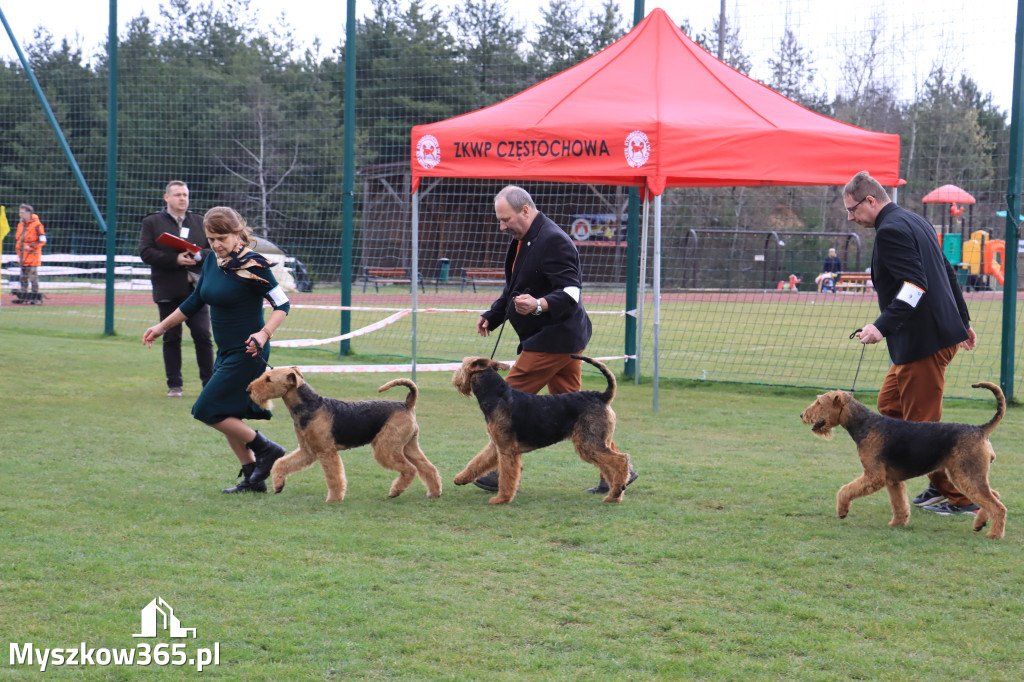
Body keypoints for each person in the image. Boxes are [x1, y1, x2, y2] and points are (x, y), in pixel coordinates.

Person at [472, 185, 637, 495]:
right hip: (553, 339)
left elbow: (571, 293)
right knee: (580, 409)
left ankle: (498, 471)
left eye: (506, 219)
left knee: (506, 404)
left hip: (554, 339)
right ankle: (616, 468)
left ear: (525, 210)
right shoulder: (521, 240)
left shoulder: (555, 241)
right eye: (500, 220)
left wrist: (538, 305)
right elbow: (514, 287)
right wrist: (493, 315)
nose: (502, 226)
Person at [845, 171, 979, 515]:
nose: (851, 217)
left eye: (853, 209)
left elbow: (915, 285)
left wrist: (881, 326)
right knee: (889, 407)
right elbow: (946, 271)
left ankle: (959, 497)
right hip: (924, 338)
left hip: (924, 342)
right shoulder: (913, 220)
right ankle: (900, 476)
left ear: (871, 201)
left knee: (924, 429)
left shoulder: (891, 230)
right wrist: (963, 321)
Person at [143, 206, 291, 494]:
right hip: (224, 352)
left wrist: (263, 334)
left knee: (207, 409)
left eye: (222, 238)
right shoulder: (212, 261)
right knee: (225, 412)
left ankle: (267, 450)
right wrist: (161, 327)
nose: (216, 245)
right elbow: (195, 301)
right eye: (211, 239)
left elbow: (282, 305)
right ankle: (253, 478)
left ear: (238, 234)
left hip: (248, 352)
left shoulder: (253, 265)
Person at [139, 181, 214, 397]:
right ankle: (175, 386)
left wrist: (198, 256)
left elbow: (214, 249)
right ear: (167, 198)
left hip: (196, 290)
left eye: (185, 195)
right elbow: (145, 252)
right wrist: (176, 259)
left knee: (202, 335)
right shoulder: (152, 222)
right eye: (178, 195)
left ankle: (208, 385)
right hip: (168, 290)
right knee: (171, 337)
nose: (183, 198)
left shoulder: (200, 221)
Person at [15, 204, 46, 305]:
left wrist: (31, 247)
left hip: (33, 255)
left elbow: (43, 240)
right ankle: (23, 296)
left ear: (29, 213)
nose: (20, 214)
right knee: (23, 277)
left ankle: (36, 297)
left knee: (33, 277)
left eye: (22, 212)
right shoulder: (20, 225)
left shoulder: (37, 225)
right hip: (23, 256)